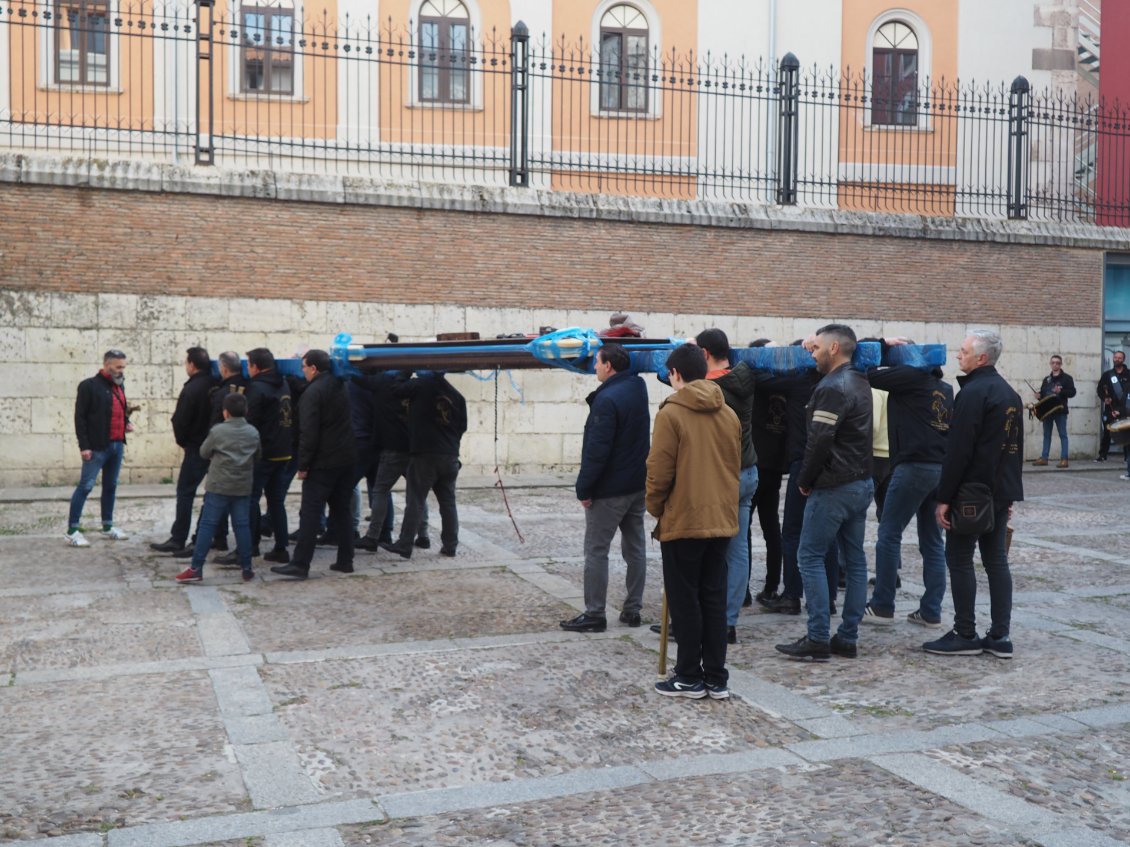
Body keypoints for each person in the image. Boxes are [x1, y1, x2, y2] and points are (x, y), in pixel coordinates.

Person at [647, 343, 739, 699]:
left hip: (685, 519)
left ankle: (688, 675)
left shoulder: (670, 414)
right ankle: (716, 676)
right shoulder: (728, 413)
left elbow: (658, 470)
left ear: (675, 375)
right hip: (720, 519)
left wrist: (655, 507)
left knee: (685, 601)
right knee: (713, 599)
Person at [776, 324, 873, 662]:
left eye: (816, 347)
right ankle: (847, 637)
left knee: (809, 556)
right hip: (860, 482)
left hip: (834, 485)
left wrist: (805, 478)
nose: (812, 353)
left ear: (833, 349)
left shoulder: (832, 386)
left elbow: (819, 440)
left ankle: (818, 636)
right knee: (855, 560)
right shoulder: (860, 379)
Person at [928, 329, 1023, 658]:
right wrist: (1007, 495)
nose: (958, 355)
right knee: (996, 561)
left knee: (958, 558)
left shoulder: (972, 394)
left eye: (964, 351)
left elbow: (958, 452)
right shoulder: (1009, 393)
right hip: (997, 491)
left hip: (970, 492)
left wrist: (944, 497)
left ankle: (965, 632)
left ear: (981, 358)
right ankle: (1000, 636)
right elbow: (1013, 452)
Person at [560, 343, 651, 633]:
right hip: (637, 485)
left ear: (609, 366)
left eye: (598, 363)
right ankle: (633, 610)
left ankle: (595, 614)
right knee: (635, 548)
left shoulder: (606, 399)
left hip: (610, 490)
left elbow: (597, 451)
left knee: (596, 551)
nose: (595, 367)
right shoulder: (638, 387)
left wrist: (584, 489)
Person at [862, 339, 953, 628]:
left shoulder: (911, 376)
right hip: (939, 467)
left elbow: (867, 370)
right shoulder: (945, 388)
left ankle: (882, 605)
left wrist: (880, 345)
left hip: (912, 465)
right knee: (932, 540)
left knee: (889, 533)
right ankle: (930, 610)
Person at [271, 349, 358, 579]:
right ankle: (345, 560)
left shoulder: (313, 393)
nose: (302, 371)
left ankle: (300, 564)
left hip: (323, 462)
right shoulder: (339, 385)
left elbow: (309, 433)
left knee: (310, 513)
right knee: (342, 511)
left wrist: (303, 465)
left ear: (314, 369)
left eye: (304, 367)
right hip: (345, 459)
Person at [696, 328, 758, 645]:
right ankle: (728, 623)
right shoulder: (745, 376)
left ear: (704, 354)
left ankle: (701, 619)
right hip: (748, 472)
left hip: (723, 477)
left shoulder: (709, 389)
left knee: (707, 551)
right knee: (738, 552)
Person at [175, 393, 261, 584]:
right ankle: (247, 567)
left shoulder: (217, 431)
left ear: (225, 412)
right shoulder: (253, 432)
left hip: (219, 485)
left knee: (207, 525)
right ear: (246, 411)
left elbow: (204, 452)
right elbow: (257, 455)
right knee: (242, 525)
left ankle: (196, 567)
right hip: (242, 485)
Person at [379, 372, 467, 559]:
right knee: (448, 503)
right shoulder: (457, 395)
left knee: (416, 500)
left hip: (425, 455)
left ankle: (405, 543)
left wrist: (403, 371)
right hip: (450, 455)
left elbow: (394, 390)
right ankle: (450, 545)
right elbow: (462, 427)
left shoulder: (420, 385)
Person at [151, 347, 216, 555]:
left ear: (192, 365)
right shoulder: (215, 385)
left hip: (196, 447)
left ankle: (179, 538)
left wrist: (184, 442)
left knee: (185, 492)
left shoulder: (192, 389)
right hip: (215, 446)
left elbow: (179, 420)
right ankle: (205, 536)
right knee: (213, 494)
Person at [66, 349, 133, 547]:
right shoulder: (89, 386)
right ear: (107, 365)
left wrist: (126, 422)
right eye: (118, 367)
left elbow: (120, 407)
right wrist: (84, 446)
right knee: (86, 486)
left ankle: (107, 526)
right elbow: (80, 418)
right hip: (96, 447)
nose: (122, 370)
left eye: (123, 367)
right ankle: (72, 530)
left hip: (116, 444)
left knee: (111, 486)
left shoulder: (120, 385)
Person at [242, 348, 294, 565]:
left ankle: (251, 545)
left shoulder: (256, 388)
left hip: (263, 453)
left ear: (255, 366)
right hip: (283, 451)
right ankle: (281, 547)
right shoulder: (283, 383)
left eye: (249, 364)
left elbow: (249, 422)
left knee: (251, 499)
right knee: (276, 502)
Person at [749, 340, 787, 608]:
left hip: (754, 465)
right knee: (771, 528)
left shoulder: (755, 383)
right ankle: (772, 586)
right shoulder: (786, 384)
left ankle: (741, 592)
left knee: (743, 531)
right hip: (774, 467)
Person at [1032, 354, 1075, 468]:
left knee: (1062, 435)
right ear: (1050, 364)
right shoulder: (1047, 379)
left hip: (1060, 410)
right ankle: (1044, 458)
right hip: (1047, 411)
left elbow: (1072, 393)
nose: (1055, 364)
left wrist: (1060, 392)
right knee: (1047, 435)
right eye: (1053, 362)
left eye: (1057, 363)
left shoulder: (1067, 378)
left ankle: (1064, 459)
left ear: (1061, 364)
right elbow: (1043, 395)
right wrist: (1038, 396)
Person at [1096, 350, 1129, 465]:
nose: (1117, 359)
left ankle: (1127, 457)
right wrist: (1105, 398)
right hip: (1110, 409)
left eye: (1119, 358)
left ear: (1123, 359)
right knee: (1107, 432)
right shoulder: (1107, 375)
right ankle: (1102, 455)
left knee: (1126, 433)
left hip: (1125, 409)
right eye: (1115, 357)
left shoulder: (1129, 374)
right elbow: (1100, 389)